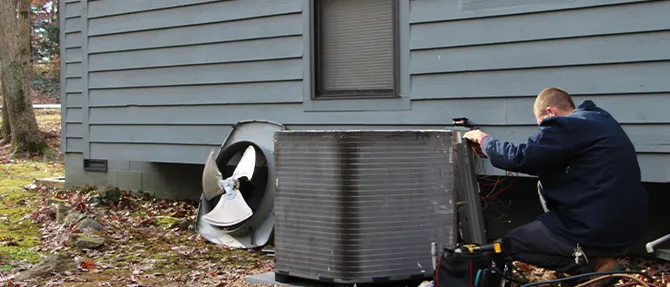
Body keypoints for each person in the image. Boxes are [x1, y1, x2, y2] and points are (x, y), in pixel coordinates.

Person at [462, 87, 649, 278]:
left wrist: (483, 140)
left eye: (542, 124)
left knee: (509, 244)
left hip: (593, 228)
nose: (543, 130)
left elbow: (521, 157)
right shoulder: (600, 121)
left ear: (551, 112)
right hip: (627, 226)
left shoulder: (566, 125)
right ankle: (593, 261)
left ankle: (591, 266)